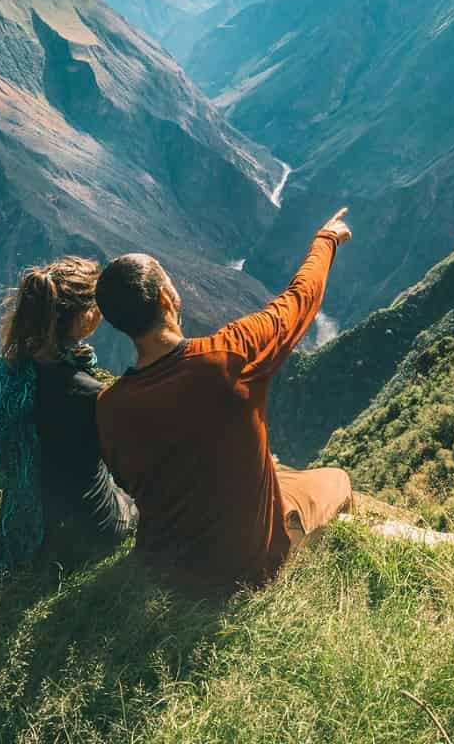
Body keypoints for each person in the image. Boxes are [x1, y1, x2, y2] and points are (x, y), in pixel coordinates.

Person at [94, 208, 355, 591]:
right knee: (337, 480)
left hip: (161, 565)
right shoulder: (229, 356)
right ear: (167, 298)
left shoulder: (109, 407)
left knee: (271, 467)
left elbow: (131, 482)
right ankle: (310, 571)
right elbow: (299, 300)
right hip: (248, 569)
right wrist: (326, 239)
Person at [0, 257, 135, 575]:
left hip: (22, 517)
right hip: (91, 525)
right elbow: (124, 462)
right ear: (83, 318)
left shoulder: (4, 370)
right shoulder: (91, 393)